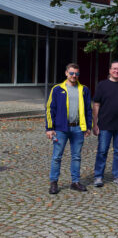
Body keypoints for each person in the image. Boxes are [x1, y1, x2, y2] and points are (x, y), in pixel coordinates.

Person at [45, 63, 92, 194]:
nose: (74, 76)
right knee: (57, 157)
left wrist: (88, 126)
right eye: (71, 73)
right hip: (60, 129)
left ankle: (75, 182)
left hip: (78, 128)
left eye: (76, 74)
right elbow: (50, 109)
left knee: (76, 156)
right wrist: (49, 128)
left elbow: (88, 109)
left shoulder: (84, 90)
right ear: (66, 73)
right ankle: (54, 183)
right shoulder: (57, 89)